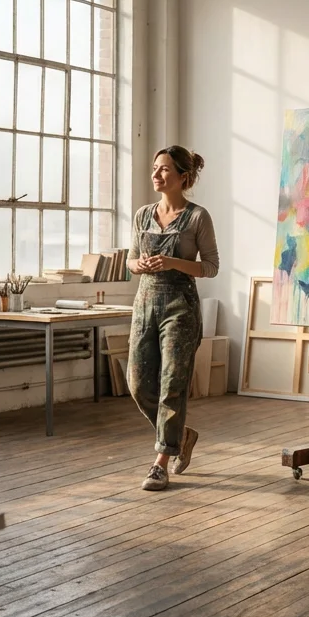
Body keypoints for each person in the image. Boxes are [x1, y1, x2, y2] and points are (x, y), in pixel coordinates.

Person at [126, 146, 220, 491]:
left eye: (164, 169)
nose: (156, 174)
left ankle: (160, 463)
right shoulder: (142, 215)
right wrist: (140, 265)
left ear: (183, 177)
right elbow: (130, 260)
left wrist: (172, 263)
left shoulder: (197, 217)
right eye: (155, 168)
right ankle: (182, 435)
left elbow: (210, 267)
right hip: (144, 304)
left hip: (180, 306)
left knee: (172, 385)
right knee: (137, 385)